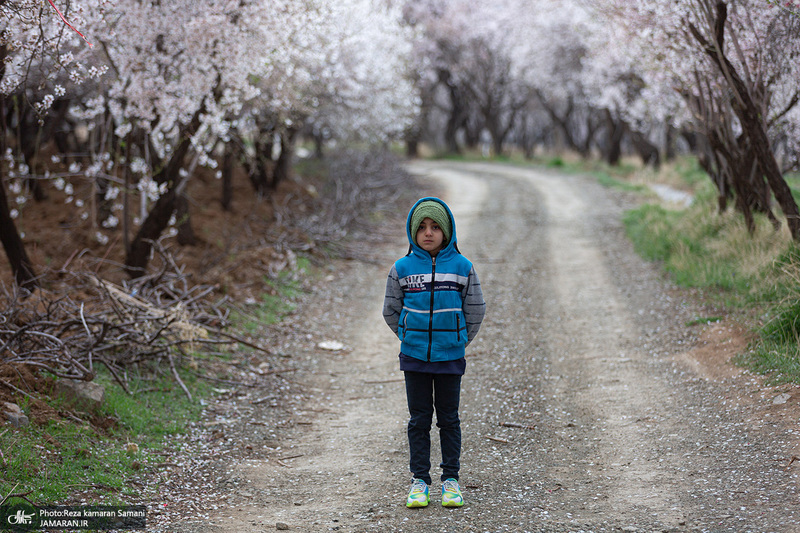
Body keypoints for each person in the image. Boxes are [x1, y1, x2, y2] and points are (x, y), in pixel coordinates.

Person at [382, 197, 486, 508]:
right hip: (414, 358)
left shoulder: (462, 267)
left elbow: (476, 309)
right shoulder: (401, 269)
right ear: (413, 231)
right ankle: (419, 480)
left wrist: (458, 339)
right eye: (423, 227)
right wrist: (408, 336)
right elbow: (390, 310)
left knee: (449, 419)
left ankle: (450, 480)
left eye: (436, 227)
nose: (429, 233)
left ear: (448, 230)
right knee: (418, 419)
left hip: (449, 358)